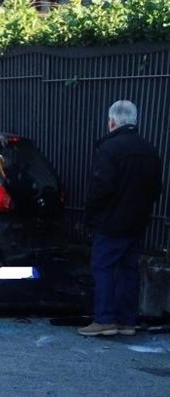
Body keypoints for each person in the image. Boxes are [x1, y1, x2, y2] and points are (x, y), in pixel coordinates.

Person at [78, 100, 163, 336]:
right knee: (129, 270)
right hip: (137, 222)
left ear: (112, 121)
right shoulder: (150, 150)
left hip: (110, 222)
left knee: (103, 267)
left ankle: (104, 319)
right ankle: (127, 321)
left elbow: (101, 187)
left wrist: (91, 215)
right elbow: (156, 188)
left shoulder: (109, 149)